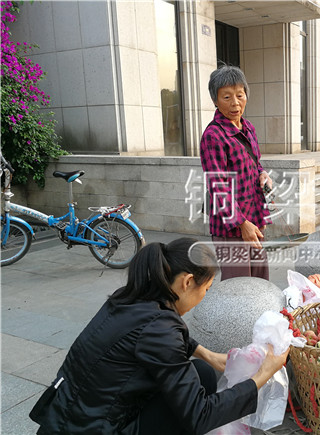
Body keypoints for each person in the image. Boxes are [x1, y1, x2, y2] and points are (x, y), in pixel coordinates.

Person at [30, 238, 289, 435]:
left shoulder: (131, 295)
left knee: (203, 371)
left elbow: (145, 338)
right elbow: (200, 415)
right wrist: (263, 374)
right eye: (206, 290)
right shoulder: (160, 327)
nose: (203, 298)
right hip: (91, 428)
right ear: (187, 282)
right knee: (194, 405)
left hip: (72, 414)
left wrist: (208, 354)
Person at [200, 65, 273, 281]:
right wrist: (242, 224)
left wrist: (262, 174)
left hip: (255, 218)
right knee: (238, 288)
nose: (235, 103)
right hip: (231, 228)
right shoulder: (213, 136)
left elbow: (255, 163)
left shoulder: (248, 127)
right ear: (215, 100)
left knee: (259, 280)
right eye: (226, 97)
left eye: (239, 95)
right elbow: (218, 187)